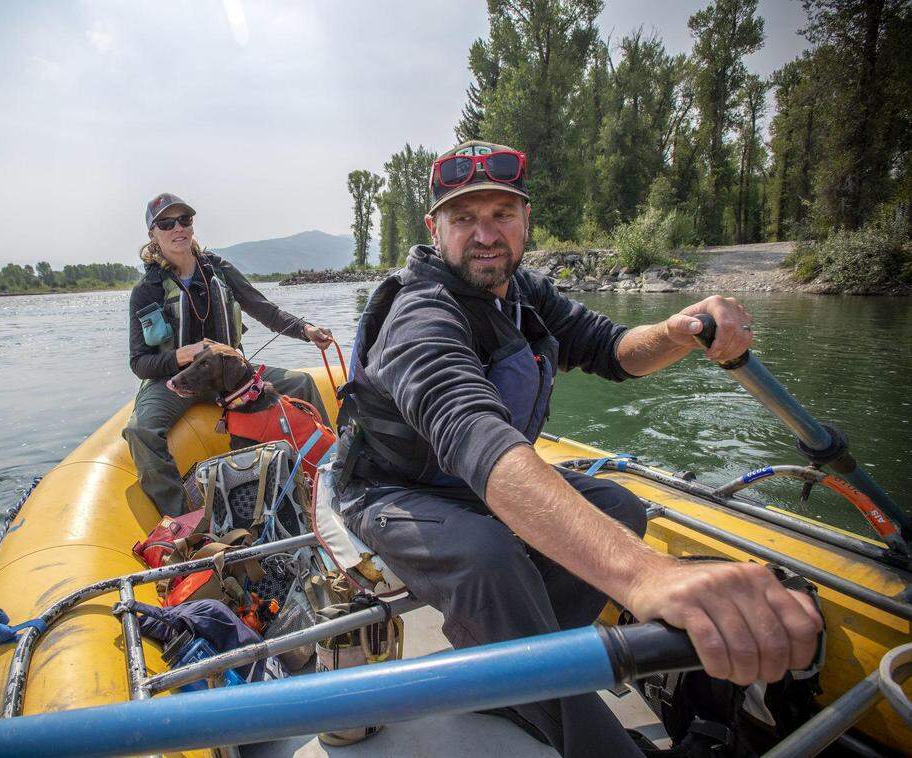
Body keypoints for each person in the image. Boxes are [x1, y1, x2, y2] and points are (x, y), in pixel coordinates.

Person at [334, 142, 823, 757]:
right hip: (393, 492)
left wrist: (678, 330)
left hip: (467, 487)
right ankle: (574, 722)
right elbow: (474, 434)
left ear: (526, 221)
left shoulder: (523, 292)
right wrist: (647, 575)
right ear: (435, 230)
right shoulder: (419, 315)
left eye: (502, 216)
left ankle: (515, 673)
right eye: (464, 219)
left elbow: (612, 349)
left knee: (618, 508)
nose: (486, 235)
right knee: (487, 555)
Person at [125, 192, 333, 516]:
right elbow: (139, 362)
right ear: (153, 234)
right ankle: (186, 521)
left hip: (230, 377)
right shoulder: (146, 290)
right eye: (167, 223)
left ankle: (330, 475)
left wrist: (305, 330)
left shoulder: (218, 269)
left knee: (302, 383)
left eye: (185, 220)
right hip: (175, 381)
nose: (178, 228)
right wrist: (183, 355)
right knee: (140, 431)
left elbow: (263, 308)